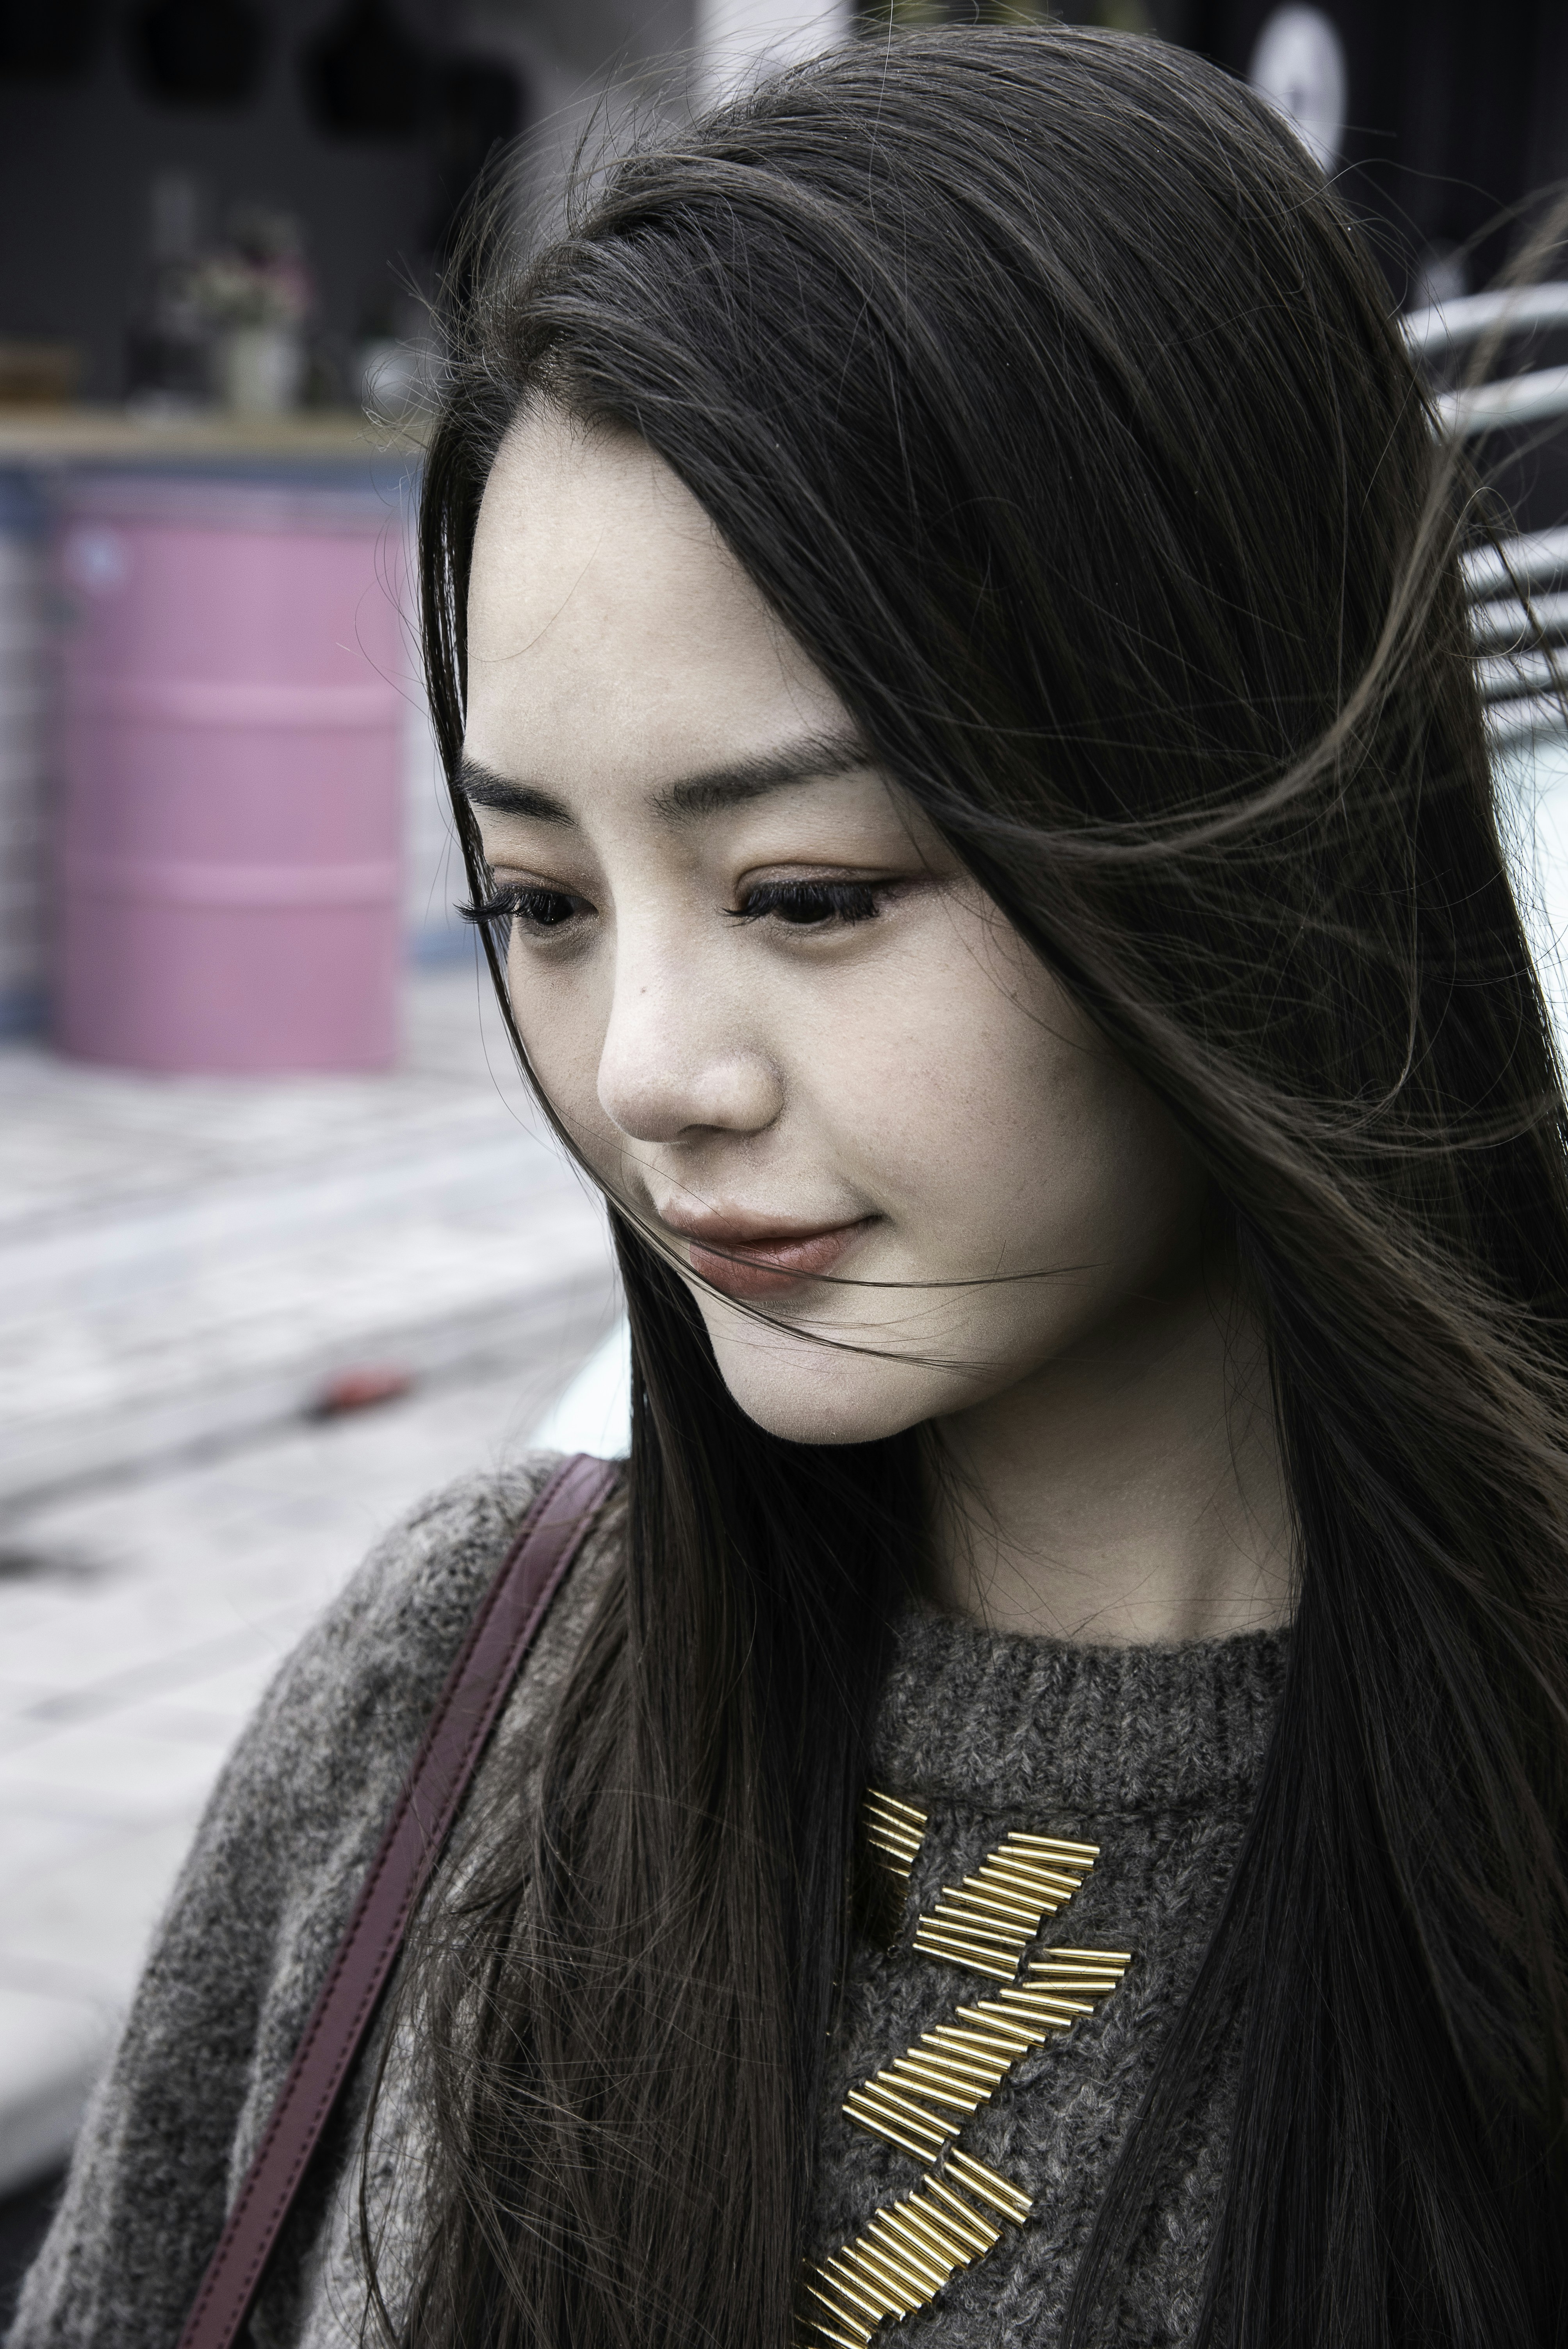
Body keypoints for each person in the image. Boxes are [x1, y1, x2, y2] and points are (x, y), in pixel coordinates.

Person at [11, 26, 1568, 2349]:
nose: (647, 1074)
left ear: (1261, 821)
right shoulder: (457, 1692)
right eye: (540, 901)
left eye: (814, 891)